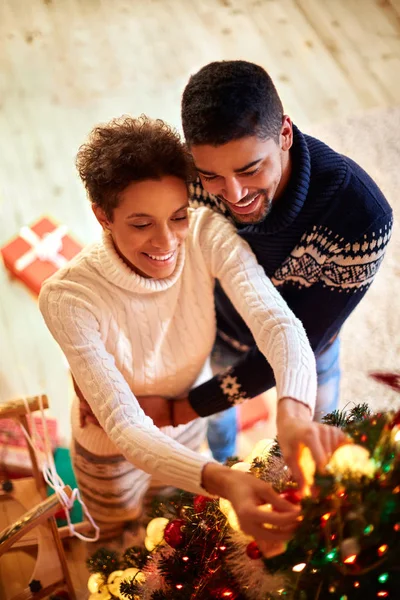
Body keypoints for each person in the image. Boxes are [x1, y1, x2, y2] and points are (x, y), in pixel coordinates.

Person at [39, 116, 344, 540]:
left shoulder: (205, 231)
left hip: (185, 426)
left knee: (170, 528)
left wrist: (293, 412)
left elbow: (278, 322)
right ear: (102, 216)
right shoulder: (67, 296)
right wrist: (222, 479)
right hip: (110, 449)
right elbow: (124, 424)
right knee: (112, 532)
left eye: (177, 216)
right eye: (142, 224)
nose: (166, 242)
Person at [166, 59, 391, 462]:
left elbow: (302, 339)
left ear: (284, 134)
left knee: (316, 443)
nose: (233, 195)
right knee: (219, 426)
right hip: (224, 331)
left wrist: (186, 406)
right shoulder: (186, 181)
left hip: (313, 346)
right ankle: (225, 458)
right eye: (212, 176)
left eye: (250, 169)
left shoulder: (362, 214)